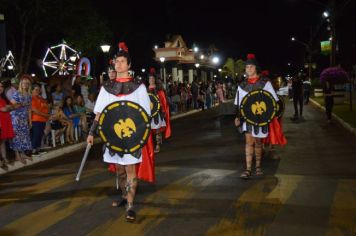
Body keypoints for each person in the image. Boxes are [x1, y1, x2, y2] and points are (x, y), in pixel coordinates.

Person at [87, 42, 151, 222]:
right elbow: (99, 112)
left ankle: (130, 206)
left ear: (129, 65)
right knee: (120, 171)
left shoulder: (139, 87)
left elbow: (143, 115)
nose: (119, 64)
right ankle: (124, 196)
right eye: (117, 61)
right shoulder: (107, 87)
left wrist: (140, 138)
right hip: (113, 136)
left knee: (130, 170)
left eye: (123, 61)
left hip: (132, 137)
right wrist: (92, 132)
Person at [234, 54, 280, 179]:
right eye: (247, 67)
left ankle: (258, 167)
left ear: (255, 68)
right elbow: (239, 103)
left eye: (250, 67)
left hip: (260, 118)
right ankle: (248, 169)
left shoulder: (265, 83)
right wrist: (237, 117)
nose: (248, 69)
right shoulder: (242, 85)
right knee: (249, 142)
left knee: (258, 143)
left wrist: (269, 116)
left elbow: (273, 102)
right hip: (246, 118)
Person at [9, 75, 33, 164]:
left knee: (24, 136)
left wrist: (30, 121)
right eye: (23, 83)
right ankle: (17, 156)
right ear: (20, 84)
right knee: (17, 137)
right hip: (16, 118)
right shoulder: (17, 94)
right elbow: (12, 106)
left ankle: (22, 154)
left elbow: (29, 109)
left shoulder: (29, 95)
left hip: (24, 119)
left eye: (27, 83)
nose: (25, 85)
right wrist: (20, 105)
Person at [147, 68, 171, 153]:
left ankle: (157, 145)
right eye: (150, 78)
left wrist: (163, 110)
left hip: (157, 112)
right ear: (148, 79)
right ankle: (149, 146)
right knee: (148, 131)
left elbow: (163, 101)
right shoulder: (145, 90)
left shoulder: (159, 90)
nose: (151, 80)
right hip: (148, 113)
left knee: (157, 130)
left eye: (153, 78)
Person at [31, 83, 50, 156]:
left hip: (42, 119)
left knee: (40, 134)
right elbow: (35, 110)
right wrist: (46, 115)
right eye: (36, 89)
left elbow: (46, 106)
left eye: (39, 89)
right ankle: (33, 150)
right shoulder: (32, 98)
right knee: (36, 135)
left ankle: (37, 149)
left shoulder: (40, 98)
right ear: (32, 90)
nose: (38, 91)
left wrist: (46, 115)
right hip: (36, 119)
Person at [0, 81, 15, 168]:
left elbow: (11, 107)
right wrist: (8, 108)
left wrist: (8, 107)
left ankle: (4, 158)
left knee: (3, 142)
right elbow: (4, 109)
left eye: (1, 86)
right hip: (0, 123)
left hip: (4, 122)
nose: (1, 88)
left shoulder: (2, 98)